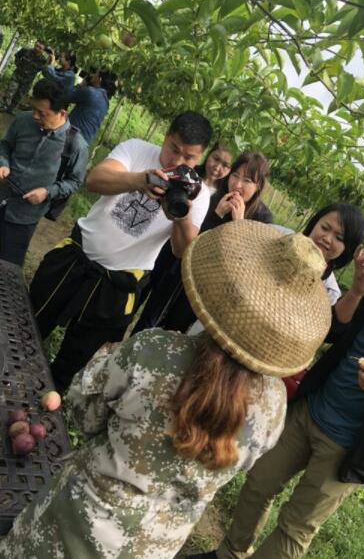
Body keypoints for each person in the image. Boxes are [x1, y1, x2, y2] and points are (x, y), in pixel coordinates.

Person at [0, 221, 332, 559]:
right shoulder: (275, 405)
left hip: (75, 524)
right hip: (156, 545)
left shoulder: (155, 352)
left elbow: (84, 414)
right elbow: (239, 465)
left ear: (221, 287)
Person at [190, 214, 364, 559]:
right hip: (313, 408)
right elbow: (335, 331)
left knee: (295, 527)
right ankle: (229, 552)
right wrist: (358, 291)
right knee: (259, 481)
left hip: (353, 444)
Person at [29, 111, 213, 393]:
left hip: (118, 284)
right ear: (166, 137)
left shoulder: (199, 194)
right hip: (76, 258)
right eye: (173, 149)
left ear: (199, 158)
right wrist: (138, 180)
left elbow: (181, 251)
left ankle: (42, 400)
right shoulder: (136, 149)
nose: (177, 161)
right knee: (29, 324)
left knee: (73, 362)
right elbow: (94, 180)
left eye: (188, 157)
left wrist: (182, 216)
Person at [132, 151, 272, 335]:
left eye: (247, 181)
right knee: (151, 317)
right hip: (180, 271)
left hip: (208, 287)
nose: (237, 185)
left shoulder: (262, 219)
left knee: (177, 329)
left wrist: (238, 225)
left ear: (258, 185)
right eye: (235, 176)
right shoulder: (212, 199)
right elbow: (192, 239)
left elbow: (245, 265)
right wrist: (216, 215)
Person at [132, 142, 232, 332]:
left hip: (181, 259)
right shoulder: (187, 174)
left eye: (226, 165)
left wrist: (216, 215)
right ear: (207, 155)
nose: (217, 167)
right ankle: (114, 334)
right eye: (216, 159)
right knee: (140, 288)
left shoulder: (225, 198)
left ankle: (136, 339)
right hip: (162, 243)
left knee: (155, 308)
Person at [0, 78, 88, 266]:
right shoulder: (23, 120)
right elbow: (5, 145)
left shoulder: (75, 146)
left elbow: (74, 181)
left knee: (7, 266)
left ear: (62, 113)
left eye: (42, 113)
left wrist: (47, 192)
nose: (35, 116)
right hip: (2, 194)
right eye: (34, 109)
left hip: (24, 216)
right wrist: (3, 163)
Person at [66, 69, 118, 144]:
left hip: (71, 137)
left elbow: (67, 96)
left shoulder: (91, 92)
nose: (92, 75)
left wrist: (81, 85)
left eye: (95, 74)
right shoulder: (106, 103)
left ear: (99, 79)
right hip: (84, 142)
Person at [1, 40, 48, 113]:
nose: (37, 48)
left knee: (20, 94)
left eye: (40, 48)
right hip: (17, 75)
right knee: (11, 89)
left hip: (28, 80)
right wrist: (18, 64)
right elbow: (17, 56)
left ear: (43, 50)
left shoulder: (43, 60)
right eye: (36, 46)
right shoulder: (25, 50)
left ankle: (11, 109)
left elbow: (43, 69)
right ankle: (5, 105)